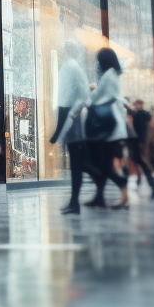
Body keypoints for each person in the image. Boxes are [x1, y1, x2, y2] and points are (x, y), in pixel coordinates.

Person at [83, 48, 131, 208]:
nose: (97, 63)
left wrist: (87, 98)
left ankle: (120, 185)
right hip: (110, 126)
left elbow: (99, 97)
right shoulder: (112, 74)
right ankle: (100, 197)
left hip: (107, 127)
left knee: (102, 164)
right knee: (102, 163)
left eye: (99, 60)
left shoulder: (109, 75)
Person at [51, 40, 94, 214]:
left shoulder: (70, 68)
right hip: (73, 122)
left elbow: (70, 99)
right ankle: (74, 202)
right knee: (77, 163)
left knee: (77, 163)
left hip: (74, 123)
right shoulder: (73, 67)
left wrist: (60, 127)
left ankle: (75, 202)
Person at [126, 99, 154, 198]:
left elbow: (134, 114)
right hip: (137, 142)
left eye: (137, 104)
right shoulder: (140, 114)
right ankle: (141, 181)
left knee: (142, 163)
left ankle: (152, 185)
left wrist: (126, 104)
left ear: (141, 104)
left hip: (140, 142)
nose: (135, 106)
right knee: (137, 161)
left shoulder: (143, 114)